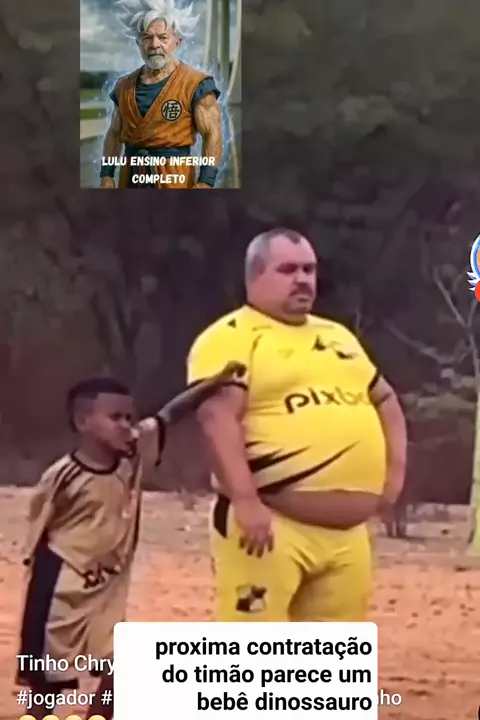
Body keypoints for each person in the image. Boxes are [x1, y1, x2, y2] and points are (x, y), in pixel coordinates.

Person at [187, 228, 407, 622]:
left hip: (348, 537)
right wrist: (245, 501)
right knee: (259, 654)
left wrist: (394, 475)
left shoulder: (338, 336)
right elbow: (216, 418)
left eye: (309, 269)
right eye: (288, 270)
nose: (303, 279)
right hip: (269, 526)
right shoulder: (229, 337)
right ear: (255, 276)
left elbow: (386, 399)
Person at [15, 363, 244, 719]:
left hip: (107, 589)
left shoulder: (133, 455)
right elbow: (38, 532)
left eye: (129, 417)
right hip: (63, 587)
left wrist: (213, 383)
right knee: (46, 678)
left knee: (119, 667)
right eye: (115, 418)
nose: (126, 425)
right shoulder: (63, 477)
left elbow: (169, 413)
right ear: (83, 422)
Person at [100, 0, 222, 190]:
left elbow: (212, 133)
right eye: (147, 37)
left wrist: (206, 181)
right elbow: (114, 133)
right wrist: (107, 175)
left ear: (177, 42)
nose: (154, 44)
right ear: (138, 42)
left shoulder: (196, 84)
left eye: (163, 37)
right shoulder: (123, 86)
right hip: (130, 180)